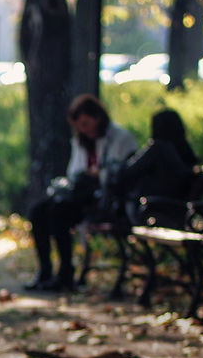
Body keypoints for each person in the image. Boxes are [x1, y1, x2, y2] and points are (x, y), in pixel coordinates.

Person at [24, 93, 137, 292]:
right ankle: (45, 271)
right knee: (38, 211)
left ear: (98, 117)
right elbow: (74, 172)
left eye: (86, 123)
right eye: (79, 126)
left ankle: (65, 274)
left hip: (105, 201)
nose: (84, 130)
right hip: (80, 196)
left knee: (59, 212)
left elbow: (122, 175)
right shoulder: (81, 141)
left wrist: (97, 174)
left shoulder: (120, 139)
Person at [112, 108, 199, 226]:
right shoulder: (185, 154)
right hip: (176, 210)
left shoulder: (158, 148)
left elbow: (128, 172)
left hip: (152, 209)